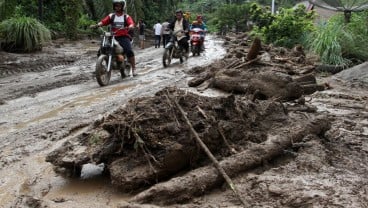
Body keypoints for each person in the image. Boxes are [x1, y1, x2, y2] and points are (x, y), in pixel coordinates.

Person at [90, 0, 137, 76]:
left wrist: (131, 26)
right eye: (116, 5)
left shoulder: (126, 16)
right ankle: (100, 67)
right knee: (101, 50)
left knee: (129, 50)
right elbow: (103, 22)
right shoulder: (111, 16)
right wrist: (97, 25)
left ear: (122, 7)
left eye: (119, 6)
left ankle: (134, 68)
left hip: (123, 37)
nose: (117, 7)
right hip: (112, 37)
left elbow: (131, 23)